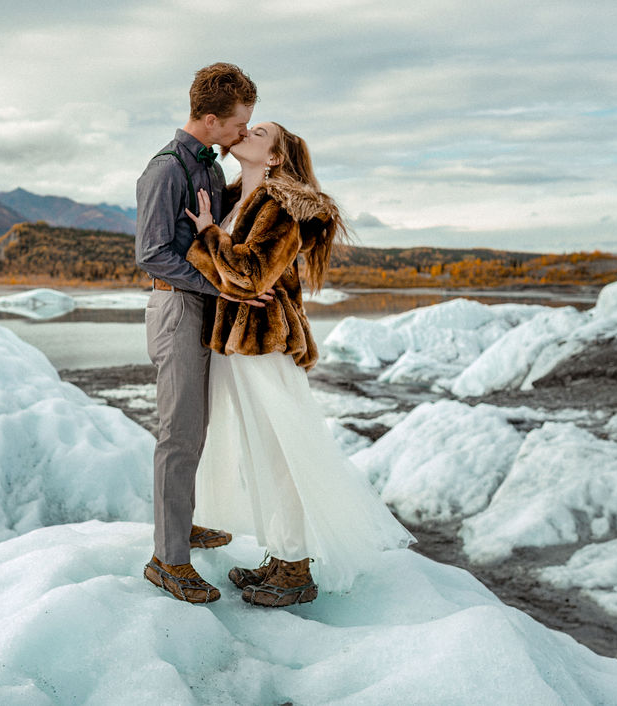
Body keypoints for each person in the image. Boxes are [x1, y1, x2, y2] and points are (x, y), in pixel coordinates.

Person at [184, 121, 414, 607]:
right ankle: (279, 555)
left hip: (263, 343)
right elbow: (233, 275)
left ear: (273, 158)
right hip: (237, 344)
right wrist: (218, 251)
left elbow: (247, 275)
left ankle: (295, 568)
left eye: (259, 132)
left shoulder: (280, 207)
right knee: (257, 449)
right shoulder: (235, 203)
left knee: (282, 451)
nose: (245, 131)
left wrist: (208, 239)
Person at [135, 63, 261, 604]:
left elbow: (210, 227)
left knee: (195, 428)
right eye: (238, 125)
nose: (241, 134)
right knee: (178, 435)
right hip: (177, 309)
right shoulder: (165, 170)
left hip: (201, 308)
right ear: (210, 119)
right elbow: (152, 253)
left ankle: (179, 528)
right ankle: (167, 561)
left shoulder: (207, 167)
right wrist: (224, 286)